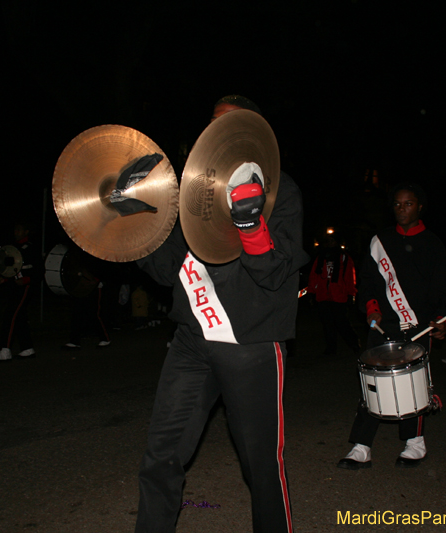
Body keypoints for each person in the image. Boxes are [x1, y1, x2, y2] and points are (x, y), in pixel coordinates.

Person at [133, 95, 309, 533]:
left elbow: (276, 275)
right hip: (192, 342)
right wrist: (134, 224)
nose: (218, 133)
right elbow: (165, 269)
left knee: (261, 468)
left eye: (229, 124)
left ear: (251, 132)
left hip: (250, 345)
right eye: (212, 123)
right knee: (161, 456)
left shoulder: (280, 189)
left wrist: (251, 226)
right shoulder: (186, 196)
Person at [337, 183, 446, 469]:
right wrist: (371, 307)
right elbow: (367, 281)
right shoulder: (380, 241)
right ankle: (362, 446)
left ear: (420, 206)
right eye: (397, 205)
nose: (402, 209)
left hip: (418, 324)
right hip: (383, 325)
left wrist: (444, 319)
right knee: (372, 383)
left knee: (414, 385)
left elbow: (443, 287)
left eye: (408, 204)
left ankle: (414, 442)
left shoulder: (433, 243)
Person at [0, 221, 39, 361]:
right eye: (15, 229)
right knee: (19, 317)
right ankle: (27, 348)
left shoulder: (30, 248)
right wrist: (3, 279)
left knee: (11, 315)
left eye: (19, 229)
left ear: (26, 232)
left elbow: (38, 270)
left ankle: (5, 349)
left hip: (26, 288)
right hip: (15, 287)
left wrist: (25, 280)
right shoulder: (12, 249)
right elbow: (12, 270)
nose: (16, 232)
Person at [307, 233, 360, 356]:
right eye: (328, 241)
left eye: (332, 241)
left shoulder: (344, 258)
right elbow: (314, 276)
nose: (330, 243)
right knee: (327, 324)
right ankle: (331, 348)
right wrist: (311, 292)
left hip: (338, 296)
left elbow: (350, 277)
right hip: (323, 296)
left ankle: (354, 344)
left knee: (342, 323)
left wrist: (351, 294)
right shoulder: (320, 257)